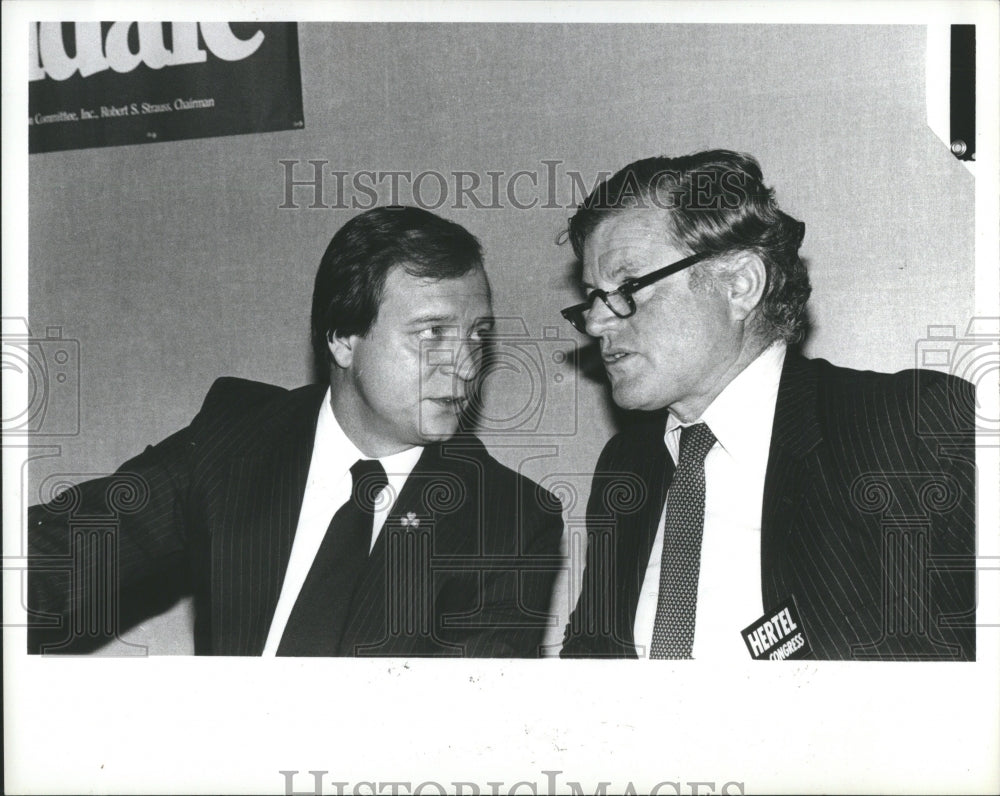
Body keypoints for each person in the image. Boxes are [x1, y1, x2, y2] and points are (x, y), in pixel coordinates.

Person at [28, 205, 563, 657]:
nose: (467, 364)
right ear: (343, 339)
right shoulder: (235, 438)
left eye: (478, 334)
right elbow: (56, 556)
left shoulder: (509, 525)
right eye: (433, 333)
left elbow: (453, 740)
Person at [559, 150, 975, 661]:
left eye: (625, 288)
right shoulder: (628, 465)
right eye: (592, 298)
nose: (598, 323)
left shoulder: (910, 426)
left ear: (740, 285)